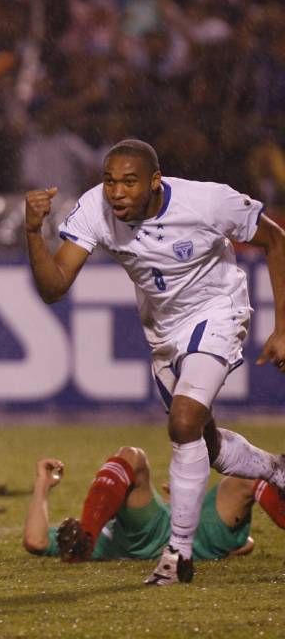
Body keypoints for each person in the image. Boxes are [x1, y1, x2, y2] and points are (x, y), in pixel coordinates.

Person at [24, 138, 285, 586]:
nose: (117, 192)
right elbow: (54, 286)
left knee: (183, 421)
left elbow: (276, 241)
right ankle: (275, 469)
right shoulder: (95, 210)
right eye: (110, 181)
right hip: (164, 336)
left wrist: (283, 327)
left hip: (218, 312)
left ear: (155, 181)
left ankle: (177, 555)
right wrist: (32, 232)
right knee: (206, 442)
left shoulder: (207, 201)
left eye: (129, 182)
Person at [22, 447, 285, 562]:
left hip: (168, 537)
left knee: (131, 457)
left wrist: (42, 484)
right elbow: (243, 545)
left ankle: (87, 534)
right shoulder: (103, 535)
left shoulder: (98, 538)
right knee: (251, 474)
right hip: (188, 534)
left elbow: (36, 541)